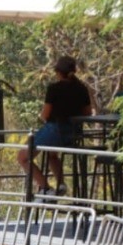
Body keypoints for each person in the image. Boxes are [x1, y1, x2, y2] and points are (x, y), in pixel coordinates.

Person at [17, 55, 93, 197]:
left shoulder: (54, 89)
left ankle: (45, 188)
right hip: (74, 133)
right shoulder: (82, 89)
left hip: (56, 130)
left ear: (58, 72)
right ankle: (61, 184)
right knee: (52, 154)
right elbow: (87, 113)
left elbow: (45, 115)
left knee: (22, 157)